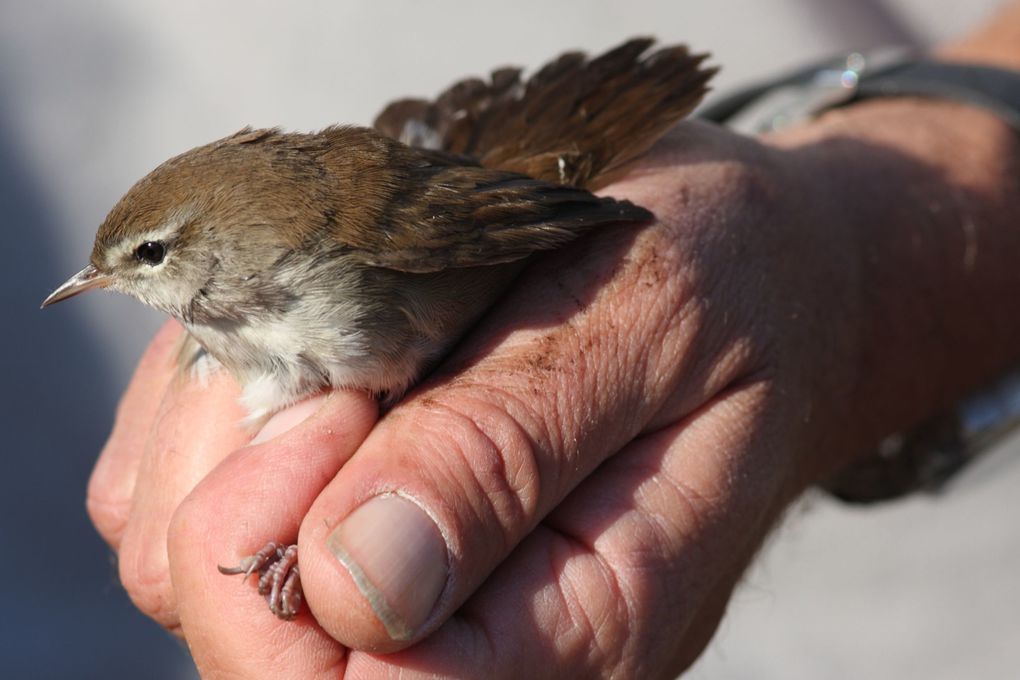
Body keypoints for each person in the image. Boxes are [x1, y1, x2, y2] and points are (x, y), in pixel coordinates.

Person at [85, 3, 1020, 677]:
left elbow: (485, 224)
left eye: (147, 260)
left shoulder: (336, 246)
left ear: (206, 246)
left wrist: (866, 262)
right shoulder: (210, 309)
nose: (106, 289)